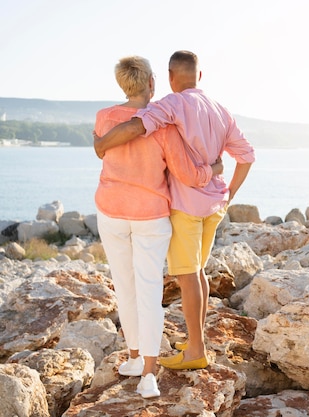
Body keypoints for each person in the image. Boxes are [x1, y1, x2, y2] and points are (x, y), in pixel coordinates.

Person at [94, 50, 255, 370]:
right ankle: (197, 338)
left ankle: (194, 350)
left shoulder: (171, 105)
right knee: (198, 272)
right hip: (213, 205)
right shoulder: (221, 110)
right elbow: (247, 156)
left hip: (185, 206)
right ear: (200, 75)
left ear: (169, 78)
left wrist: (100, 145)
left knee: (187, 276)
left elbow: (136, 127)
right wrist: (229, 193)